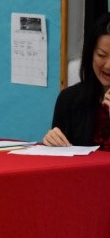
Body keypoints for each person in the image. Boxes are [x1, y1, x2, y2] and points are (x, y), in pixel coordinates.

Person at [42, 12, 110, 149]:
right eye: (101, 55)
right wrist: (53, 141)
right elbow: (61, 160)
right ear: (90, 54)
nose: (108, 65)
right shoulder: (69, 99)